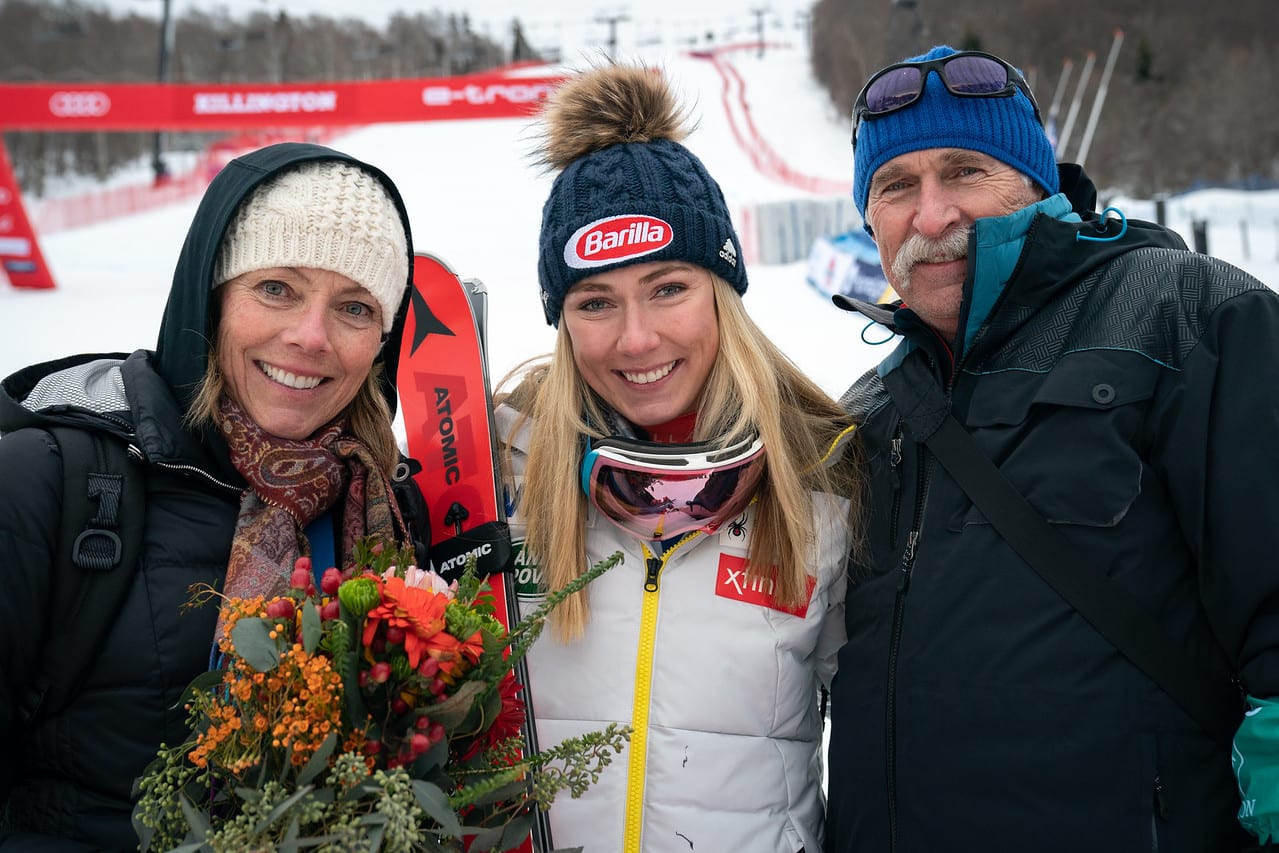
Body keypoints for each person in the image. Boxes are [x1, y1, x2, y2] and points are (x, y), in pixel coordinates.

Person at [825, 44, 1279, 853]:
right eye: (896, 186)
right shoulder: (871, 412)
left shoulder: (1186, 314)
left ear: (1034, 183)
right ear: (868, 218)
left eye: (964, 171)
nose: (930, 217)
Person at [0, 142, 429, 850]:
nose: (309, 336)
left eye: (354, 307)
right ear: (212, 295)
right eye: (276, 288)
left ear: (381, 342)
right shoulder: (49, 482)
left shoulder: (388, 515)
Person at [494, 63, 863, 853]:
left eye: (668, 288)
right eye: (595, 302)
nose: (636, 339)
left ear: (722, 290)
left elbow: (891, 749)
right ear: (561, 321)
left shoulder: (826, 481)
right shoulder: (500, 472)